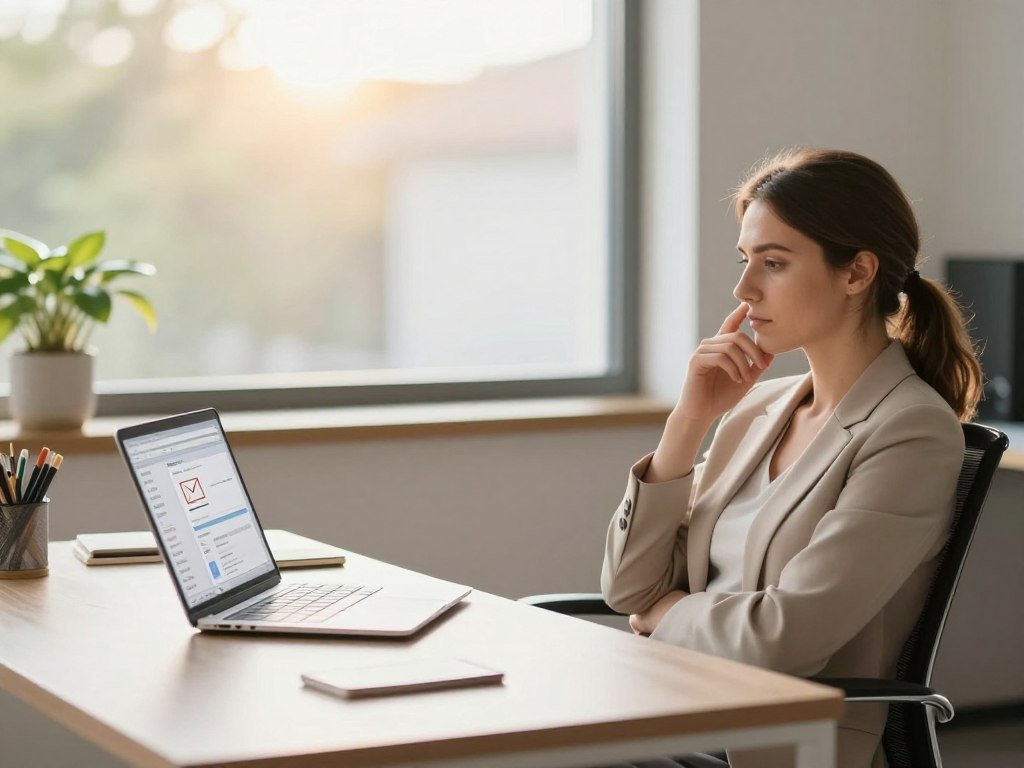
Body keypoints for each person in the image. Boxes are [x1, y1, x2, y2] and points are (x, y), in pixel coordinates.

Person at [601, 148, 983, 768]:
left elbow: (782, 641)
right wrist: (688, 422)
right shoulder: (758, 409)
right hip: (682, 711)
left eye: (773, 263)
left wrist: (668, 613)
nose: (743, 288)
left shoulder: (910, 431)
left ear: (858, 272)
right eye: (745, 259)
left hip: (776, 746)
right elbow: (628, 589)